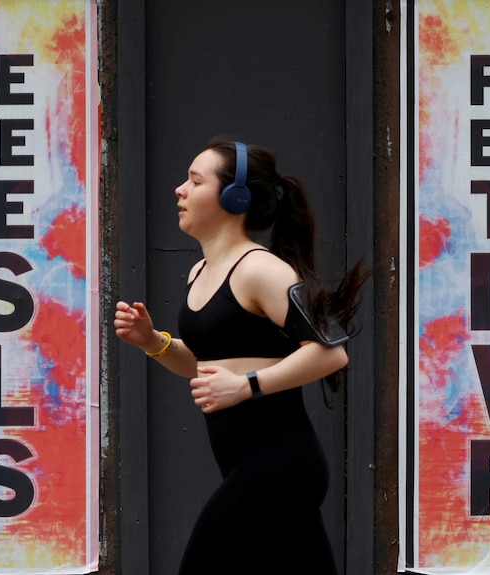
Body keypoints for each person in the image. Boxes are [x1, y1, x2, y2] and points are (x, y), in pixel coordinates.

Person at [113, 136, 366, 573]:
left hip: (280, 463)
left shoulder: (261, 269)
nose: (180, 190)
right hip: (242, 460)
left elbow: (330, 354)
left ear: (236, 197)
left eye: (195, 180)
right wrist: (153, 341)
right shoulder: (200, 272)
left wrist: (248, 387)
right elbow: (207, 366)